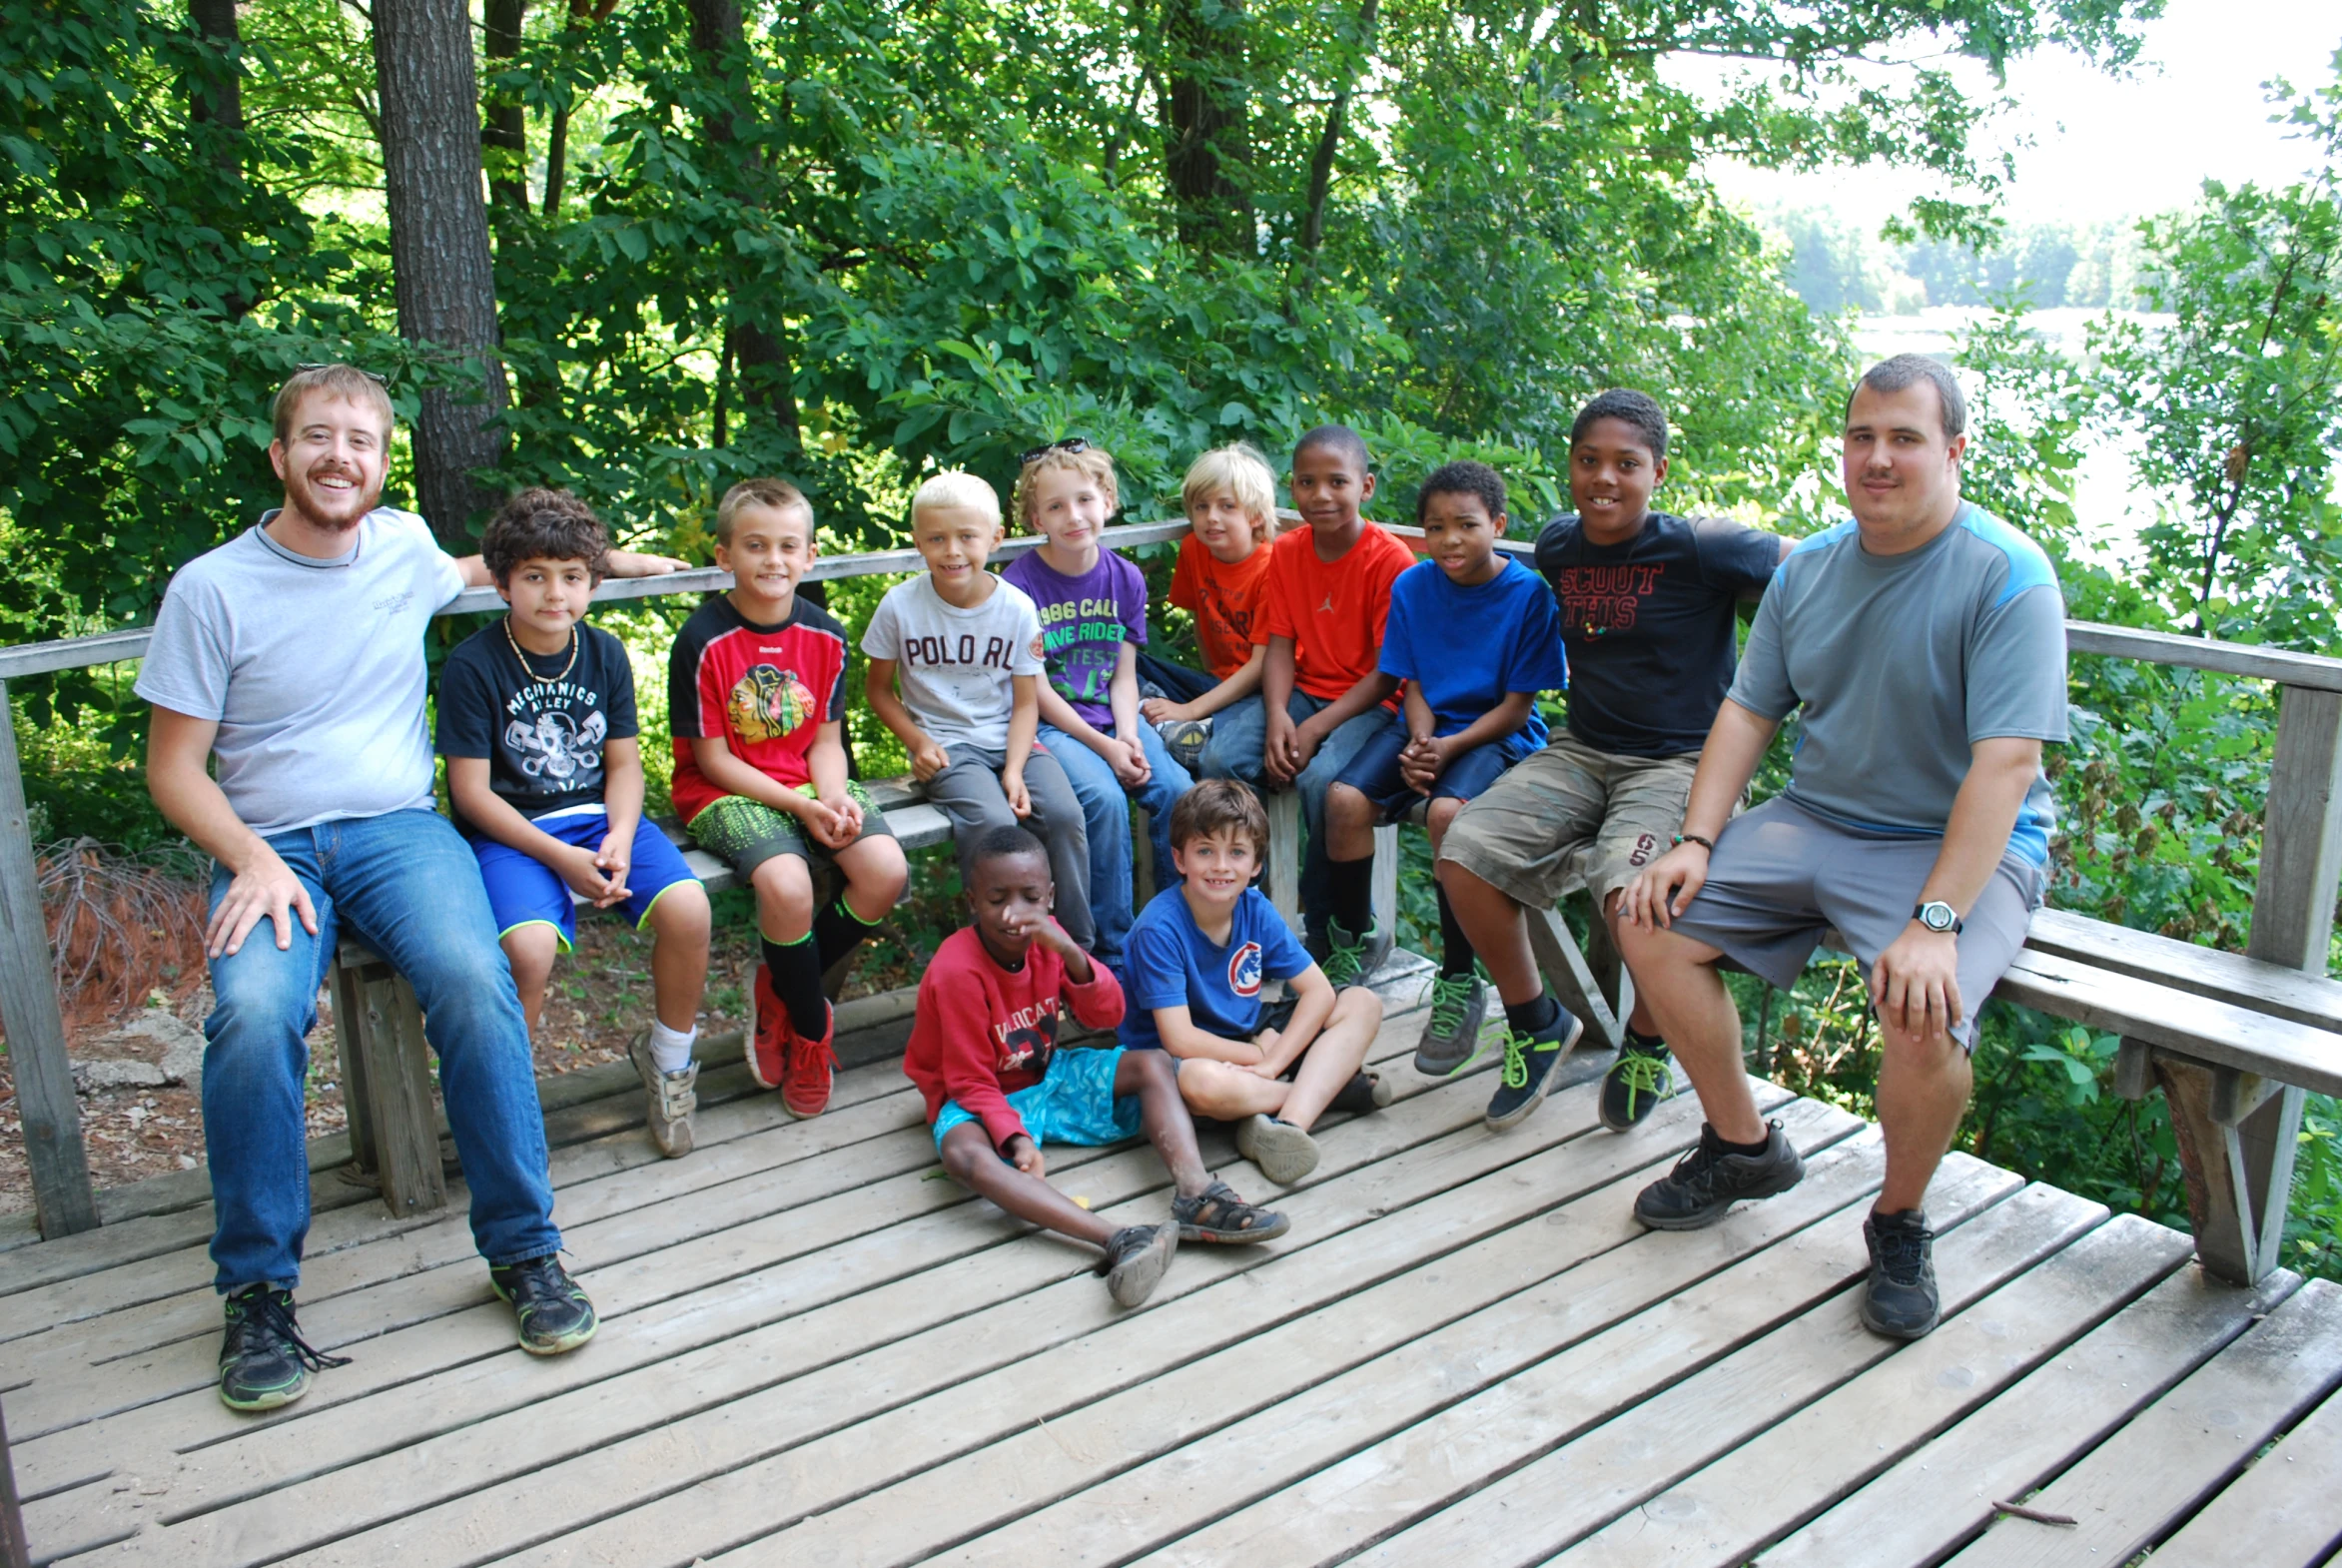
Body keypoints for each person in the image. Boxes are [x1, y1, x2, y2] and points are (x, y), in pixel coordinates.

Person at [138, 365, 687, 1409]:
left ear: (384, 463)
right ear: (279, 453)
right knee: (253, 1018)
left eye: (361, 441)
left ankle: (524, 1250)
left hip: (398, 831)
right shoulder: (211, 588)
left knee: (476, 984)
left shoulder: (399, 549)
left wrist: (613, 559)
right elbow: (172, 769)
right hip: (272, 846)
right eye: (318, 436)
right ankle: (256, 1290)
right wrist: (249, 855)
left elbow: (504, 565)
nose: (340, 456)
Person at [1619, 355, 2068, 1341]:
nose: (1877, 457)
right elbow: (1745, 711)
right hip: (1814, 816)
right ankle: (1740, 1144)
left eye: (1903, 438)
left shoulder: (2006, 577)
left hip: (1952, 844)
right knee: (1644, 912)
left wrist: (1936, 922)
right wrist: (1695, 839)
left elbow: (2003, 767)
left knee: (1921, 1010)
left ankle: (1897, 1219)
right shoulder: (1808, 568)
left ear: (1952, 450)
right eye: (1861, 436)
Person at [1436, 390, 1789, 1135]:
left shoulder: (1700, 546)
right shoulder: (1561, 545)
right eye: (1588, 460)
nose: (1604, 479)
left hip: (1678, 764)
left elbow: (1815, 565)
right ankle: (1535, 1022)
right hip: (1582, 750)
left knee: (1634, 898)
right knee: (1463, 849)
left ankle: (1647, 1039)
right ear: (1569, 465)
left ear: (1656, 470)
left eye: (1625, 464)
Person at [905, 825, 1292, 1307]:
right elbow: (967, 1080)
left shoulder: (1053, 940)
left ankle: (1197, 1195)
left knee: (1152, 1063)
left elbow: (1107, 1015)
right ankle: (1120, 1238)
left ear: (1051, 895)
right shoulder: (956, 970)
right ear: (971, 901)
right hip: (977, 1096)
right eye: (996, 898)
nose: (1013, 913)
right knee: (963, 1157)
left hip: (1046, 1075)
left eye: (1029, 896)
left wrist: (1070, 954)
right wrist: (1015, 1137)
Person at [440, 488, 713, 1159]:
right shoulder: (472, 665)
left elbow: (624, 768)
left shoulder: (604, 653)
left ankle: (669, 1060)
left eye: (570, 576)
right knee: (527, 952)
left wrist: (618, 836)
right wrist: (561, 863)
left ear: (593, 581)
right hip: (513, 832)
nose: (553, 593)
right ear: (502, 582)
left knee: (689, 911)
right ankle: (507, 1106)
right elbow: (472, 794)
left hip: (599, 821)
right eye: (534, 576)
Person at [1322, 462, 1567, 1125]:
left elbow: (1518, 706)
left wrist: (1448, 751)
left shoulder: (1527, 596)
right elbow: (1414, 682)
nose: (1449, 540)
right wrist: (1422, 740)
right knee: (1343, 801)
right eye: (1435, 527)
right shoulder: (1413, 584)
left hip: (1493, 735)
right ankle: (1350, 944)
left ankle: (1459, 979)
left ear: (1498, 526)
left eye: (1465, 525)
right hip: (1427, 727)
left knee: (1447, 814)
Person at [669, 478, 908, 1121]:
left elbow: (826, 743)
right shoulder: (703, 639)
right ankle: (809, 1031)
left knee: (886, 872)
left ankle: (780, 982)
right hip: (724, 787)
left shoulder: (826, 636)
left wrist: (830, 796)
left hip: (808, 780)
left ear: (809, 556)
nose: (772, 560)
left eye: (787, 546)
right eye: (755, 545)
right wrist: (801, 808)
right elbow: (712, 759)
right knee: (789, 886)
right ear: (725, 556)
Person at [1196, 424, 1415, 958]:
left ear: (1366, 487)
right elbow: (1278, 642)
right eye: (1307, 482)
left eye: (1336, 481)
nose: (1320, 495)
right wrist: (1276, 715)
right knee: (1220, 755)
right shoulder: (1290, 552)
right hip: (1301, 690)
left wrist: (1314, 728)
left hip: (1370, 703)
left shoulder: (1390, 561)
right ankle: (1251, 901)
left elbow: (1389, 674)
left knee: (1323, 779)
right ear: (1291, 487)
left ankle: (1328, 928)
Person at [863, 471, 1096, 947]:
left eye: (966, 537)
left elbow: (1027, 702)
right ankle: (991, 949)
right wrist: (917, 741)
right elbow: (879, 691)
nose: (952, 551)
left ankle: (1075, 950)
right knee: (994, 824)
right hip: (949, 749)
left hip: (1012, 741)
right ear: (918, 542)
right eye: (937, 538)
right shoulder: (900, 607)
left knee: (1066, 816)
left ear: (995, 538)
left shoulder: (1016, 608)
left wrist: (1014, 769)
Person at [1119, 781, 1386, 1185]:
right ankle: (1331, 1090)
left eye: (1237, 852)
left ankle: (1288, 1127)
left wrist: (1272, 1061)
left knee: (1362, 1002)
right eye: (1205, 850)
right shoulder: (1159, 928)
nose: (1221, 866)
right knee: (1201, 1084)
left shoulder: (1254, 908)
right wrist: (1256, 1055)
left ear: (1256, 864)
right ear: (1179, 858)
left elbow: (1319, 992)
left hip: (1252, 1038)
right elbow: (1179, 1039)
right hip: (1189, 1059)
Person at [1002, 439, 1192, 969]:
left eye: (1084, 500)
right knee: (1104, 803)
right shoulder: (1020, 585)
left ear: (1107, 499)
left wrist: (1129, 734)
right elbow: (1035, 692)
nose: (1074, 516)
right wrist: (1107, 747)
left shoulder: (1125, 577)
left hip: (1116, 719)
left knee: (1179, 791)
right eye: (1056, 506)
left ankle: (1174, 932)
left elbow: (1124, 675)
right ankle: (1113, 951)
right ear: (1035, 516)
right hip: (1057, 727)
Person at [1138, 442, 1281, 768]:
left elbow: (1262, 667)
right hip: (1217, 682)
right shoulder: (1194, 548)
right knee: (1124, 658)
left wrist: (1192, 708)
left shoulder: (1273, 567)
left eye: (1227, 506)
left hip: (1264, 691)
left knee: (1225, 745)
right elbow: (1201, 621)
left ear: (1256, 514)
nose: (1211, 518)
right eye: (1201, 507)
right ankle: (1180, 725)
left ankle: (1196, 727)